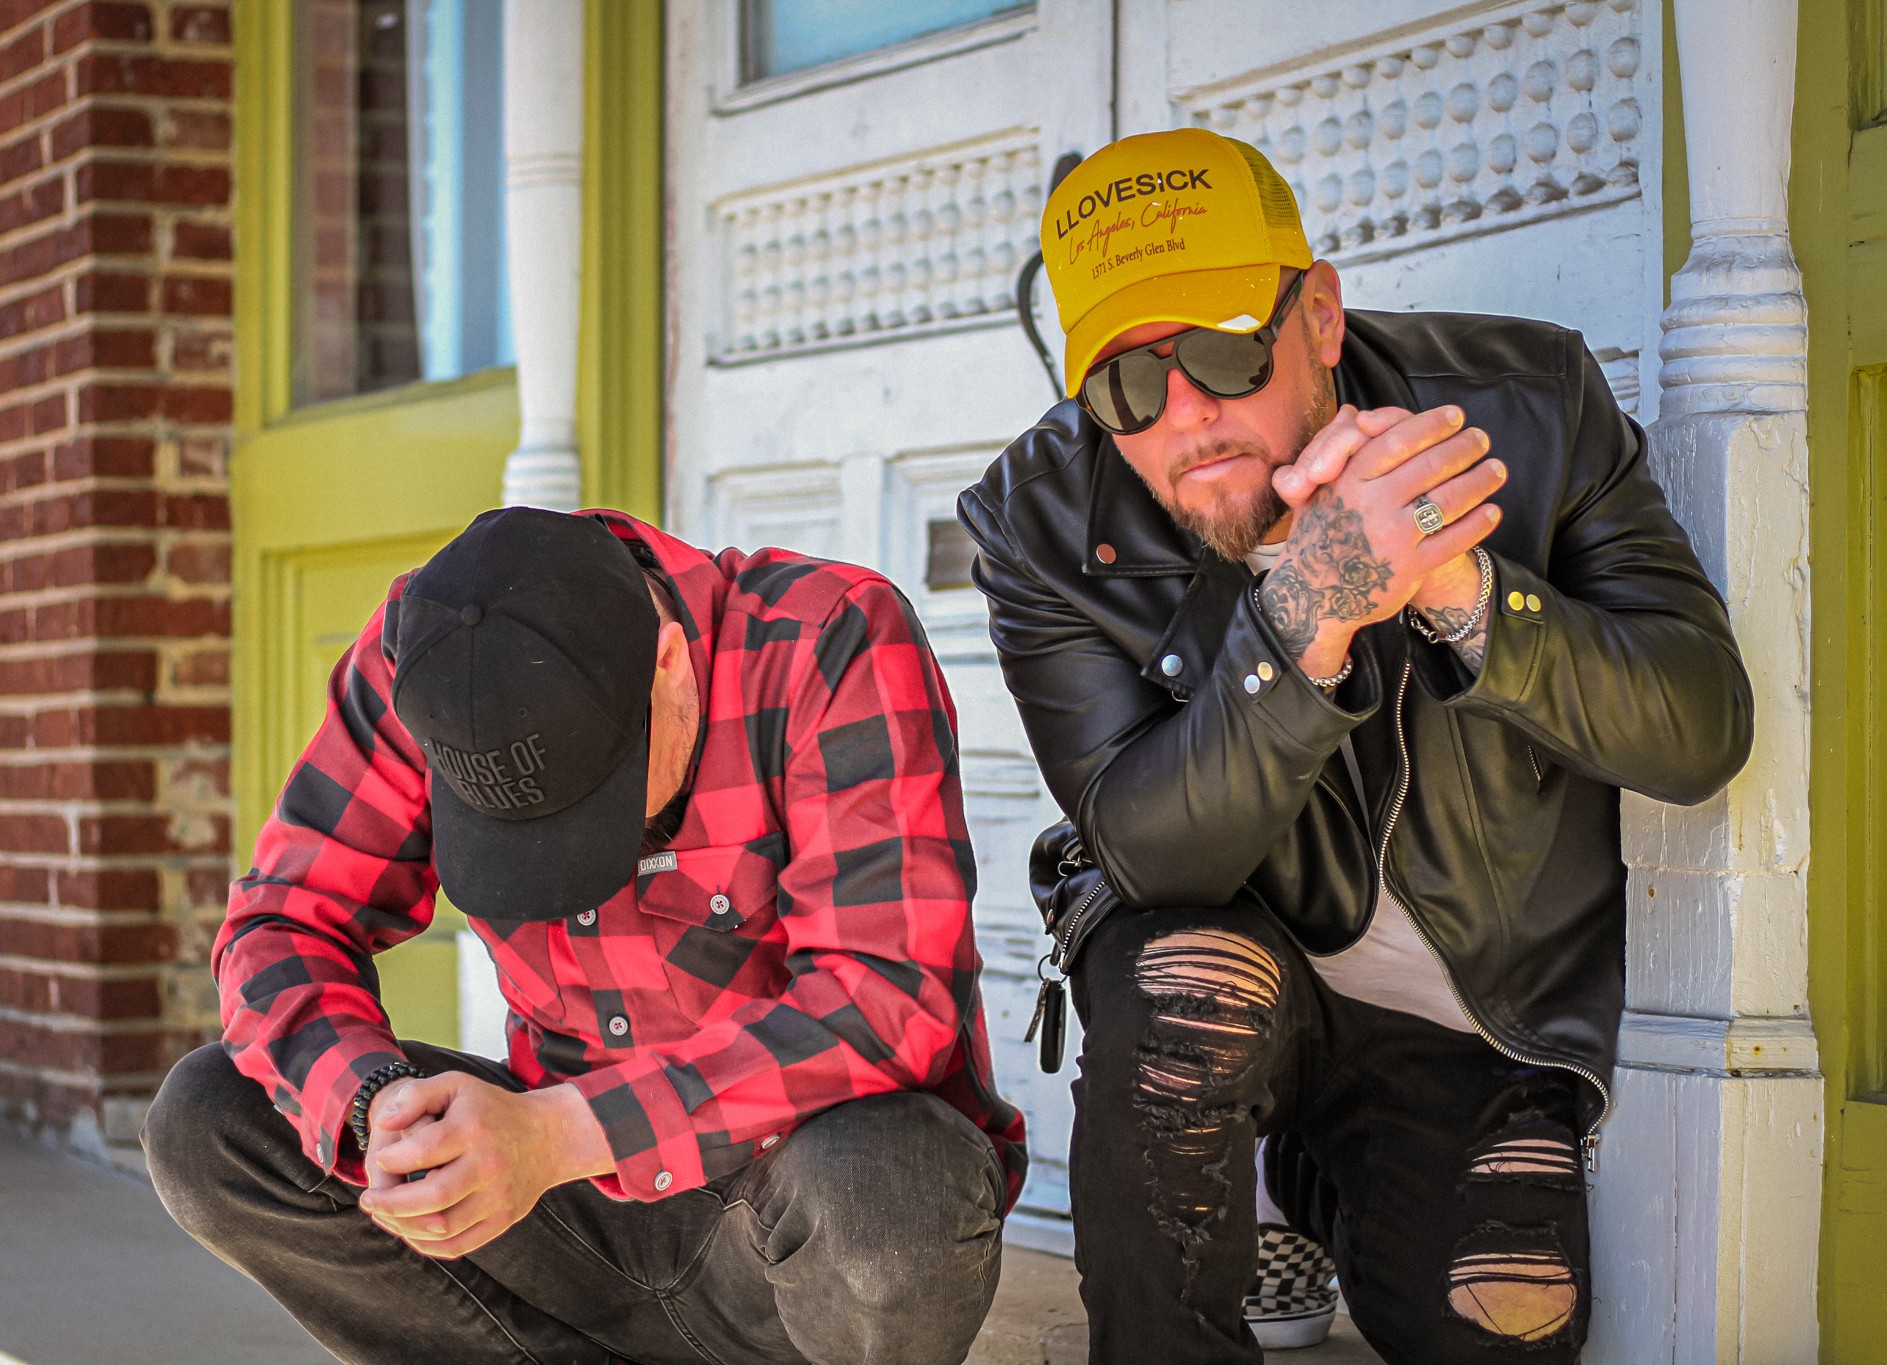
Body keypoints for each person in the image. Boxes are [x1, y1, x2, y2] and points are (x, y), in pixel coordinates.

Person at [958, 128, 1752, 1364]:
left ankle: (1299, 1186)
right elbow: (1150, 854)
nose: (1187, 415)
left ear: (1319, 316)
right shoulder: (1038, 519)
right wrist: (1308, 613)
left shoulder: (1530, 405)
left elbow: (1701, 729)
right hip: (1229, 957)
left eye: (1223, 348)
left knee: (1503, 1328)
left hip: (1469, 1014)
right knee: (1188, 989)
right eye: (1125, 385)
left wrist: (1458, 588)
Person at [144, 506, 1026, 1365]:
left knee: (890, 1198)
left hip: (786, 1210)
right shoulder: (430, 659)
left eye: (593, 804)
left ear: (669, 663)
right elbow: (281, 920)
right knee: (209, 1118)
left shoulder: (827, 640)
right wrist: (382, 1109)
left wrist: (561, 1134)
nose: (563, 852)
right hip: (564, 1216)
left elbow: (890, 994)